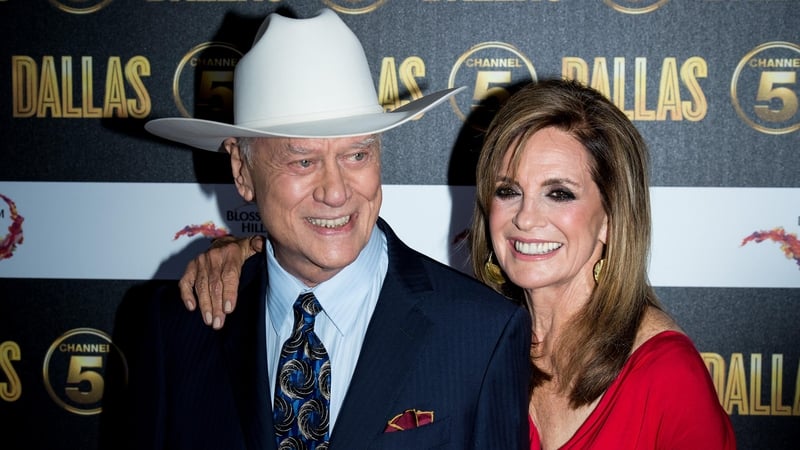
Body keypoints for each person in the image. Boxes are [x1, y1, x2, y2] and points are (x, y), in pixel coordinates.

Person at [186, 79, 736, 449]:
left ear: (612, 216)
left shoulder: (667, 378)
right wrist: (255, 255)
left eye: (559, 193)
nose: (526, 219)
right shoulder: (477, 334)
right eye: (508, 191)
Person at [125, 7, 531, 450]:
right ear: (241, 170)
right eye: (303, 161)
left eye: (357, 155)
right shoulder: (176, 328)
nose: (336, 192)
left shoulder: (482, 332)